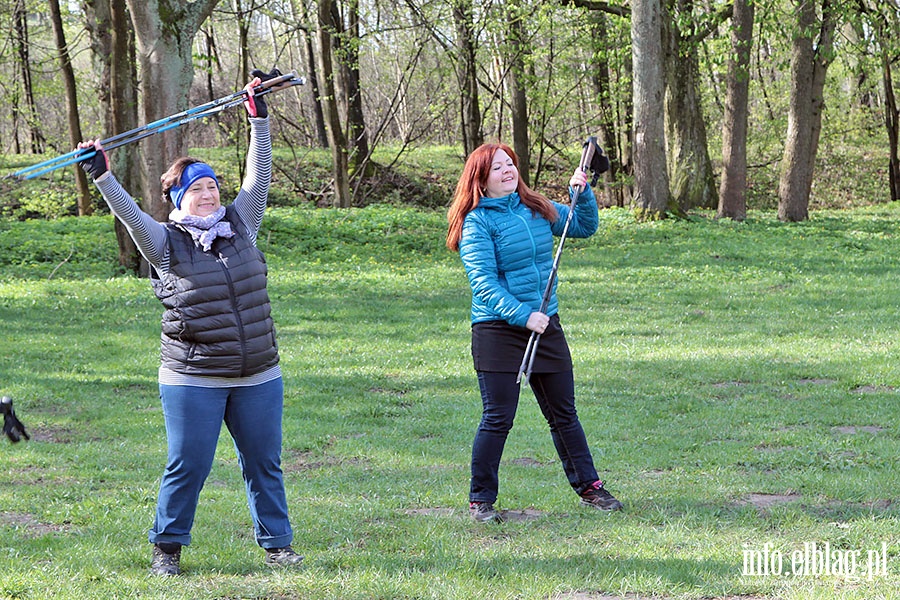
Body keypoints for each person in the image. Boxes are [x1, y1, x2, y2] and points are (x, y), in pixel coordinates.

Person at [76, 72, 303, 575]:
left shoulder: (241, 222)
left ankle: (278, 545)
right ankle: (167, 547)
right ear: (177, 198)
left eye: (211, 186)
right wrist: (102, 176)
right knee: (189, 466)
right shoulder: (164, 243)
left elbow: (257, 178)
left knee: (264, 464)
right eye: (196, 188)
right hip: (192, 376)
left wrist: (258, 120)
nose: (208, 194)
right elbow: (131, 216)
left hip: (258, 373)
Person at [446, 142, 623, 523]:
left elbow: (582, 226)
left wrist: (583, 193)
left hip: (546, 324)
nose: (508, 171)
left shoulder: (537, 207)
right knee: (498, 417)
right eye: (498, 168)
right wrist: (524, 316)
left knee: (564, 413)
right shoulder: (477, 222)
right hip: (498, 329)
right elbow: (483, 284)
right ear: (481, 179)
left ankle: (590, 488)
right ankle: (481, 500)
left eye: (511, 164)